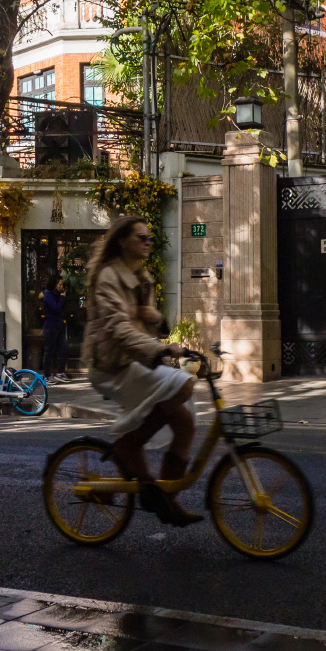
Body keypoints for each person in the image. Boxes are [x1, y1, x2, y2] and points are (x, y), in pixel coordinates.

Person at [82, 214, 202, 526]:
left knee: (186, 424)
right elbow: (119, 328)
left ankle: (167, 500)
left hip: (135, 362)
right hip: (112, 367)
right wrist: (160, 348)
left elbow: (142, 324)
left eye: (149, 238)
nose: (148, 242)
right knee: (183, 384)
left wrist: (157, 322)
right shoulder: (108, 277)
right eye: (141, 237)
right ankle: (129, 447)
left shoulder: (141, 276)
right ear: (123, 241)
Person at [41, 275, 68, 383]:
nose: (61, 286)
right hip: (51, 326)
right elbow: (56, 308)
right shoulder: (48, 294)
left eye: (62, 284)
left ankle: (60, 372)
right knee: (49, 351)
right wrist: (62, 298)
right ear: (54, 284)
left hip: (60, 325)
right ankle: (47, 375)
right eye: (60, 284)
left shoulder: (58, 294)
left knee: (64, 348)